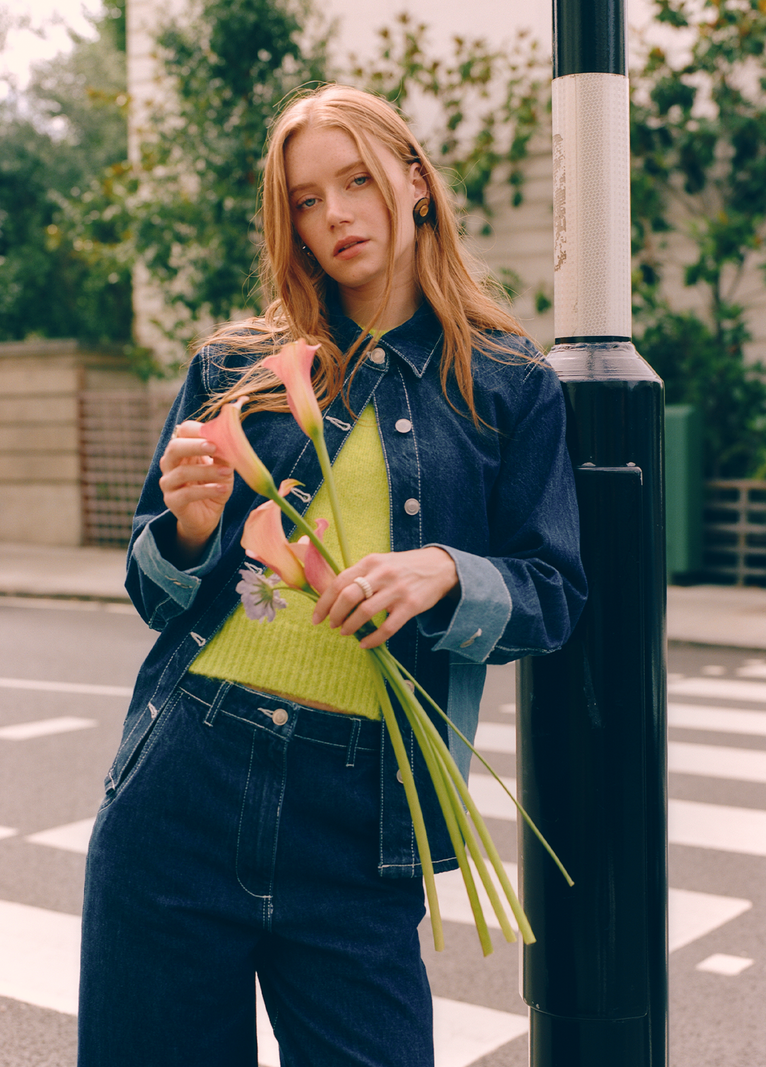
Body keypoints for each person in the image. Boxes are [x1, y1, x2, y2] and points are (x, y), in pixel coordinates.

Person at [77, 84, 587, 1067]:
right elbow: (152, 589)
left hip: (361, 817)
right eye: (306, 199)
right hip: (184, 784)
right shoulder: (237, 365)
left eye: (356, 181)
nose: (335, 215)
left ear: (416, 183)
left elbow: (551, 590)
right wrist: (187, 529)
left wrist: (444, 570)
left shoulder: (508, 384)